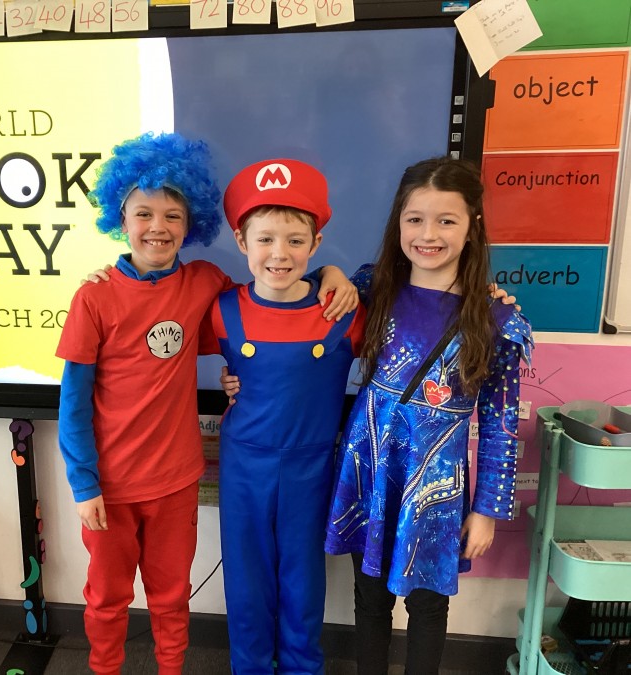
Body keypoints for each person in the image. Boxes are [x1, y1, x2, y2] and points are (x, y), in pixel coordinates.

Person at [55, 133, 354, 675]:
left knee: (181, 593)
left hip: (182, 477)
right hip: (119, 483)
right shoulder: (98, 296)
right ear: (120, 217)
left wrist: (330, 276)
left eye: (173, 215)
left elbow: (274, 298)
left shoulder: (206, 286)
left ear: (190, 223)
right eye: (144, 213)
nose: (158, 226)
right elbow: (73, 401)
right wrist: (83, 481)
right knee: (112, 594)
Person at [322, 157, 533, 675]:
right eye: (415, 219)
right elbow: (301, 300)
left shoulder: (498, 320)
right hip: (371, 468)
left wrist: (486, 510)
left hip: (435, 486)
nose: (428, 234)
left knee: (428, 606)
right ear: (398, 222)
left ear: (472, 227)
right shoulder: (373, 287)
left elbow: (501, 426)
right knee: (369, 597)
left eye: (446, 220)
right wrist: (329, 271)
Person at [198, 158, 366, 675]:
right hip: (243, 466)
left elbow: (410, 301)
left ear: (316, 244)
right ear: (240, 240)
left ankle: (302, 667)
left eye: (295, 240)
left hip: (311, 468)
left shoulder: (343, 310)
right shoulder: (221, 309)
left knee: (302, 579)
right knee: (246, 578)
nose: (279, 253)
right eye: (265, 239)